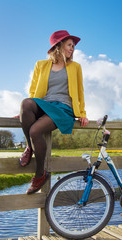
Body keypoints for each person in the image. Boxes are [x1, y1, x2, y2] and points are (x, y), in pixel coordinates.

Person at [19, 30, 89, 194]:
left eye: (73, 46)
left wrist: (83, 113)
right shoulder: (41, 65)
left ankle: (40, 175)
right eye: (69, 45)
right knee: (25, 103)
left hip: (64, 108)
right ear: (58, 46)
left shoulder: (75, 67)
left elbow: (80, 91)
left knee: (35, 131)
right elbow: (33, 90)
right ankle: (30, 147)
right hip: (45, 104)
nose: (73, 49)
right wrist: (25, 112)